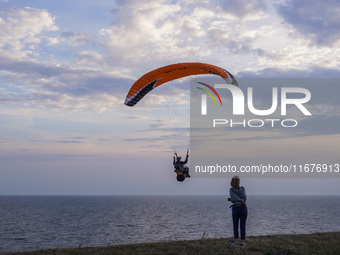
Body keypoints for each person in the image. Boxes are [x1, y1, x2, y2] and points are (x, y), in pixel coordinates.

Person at [229, 176, 247, 248]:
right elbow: (245, 198)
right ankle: (242, 243)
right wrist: (242, 201)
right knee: (243, 225)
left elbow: (234, 198)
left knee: (235, 225)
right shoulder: (243, 189)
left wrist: (236, 201)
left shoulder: (231, 190)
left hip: (236, 208)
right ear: (239, 182)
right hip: (243, 208)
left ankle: (236, 242)